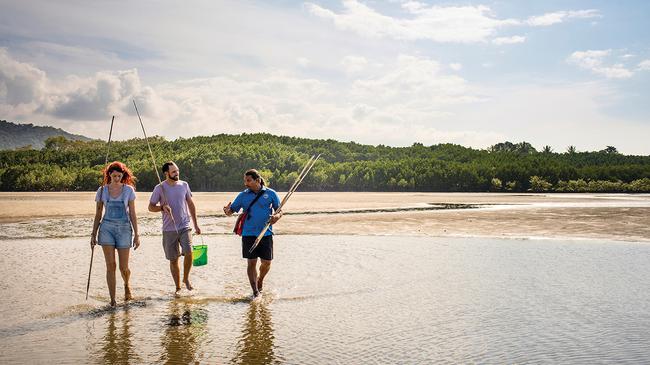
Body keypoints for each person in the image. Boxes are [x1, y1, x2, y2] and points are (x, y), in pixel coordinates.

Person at [223, 169, 283, 298]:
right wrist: (226, 210)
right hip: (248, 233)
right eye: (245, 180)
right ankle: (255, 291)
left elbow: (280, 211)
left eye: (248, 180)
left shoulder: (271, 193)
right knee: (251, 262)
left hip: (265, 233)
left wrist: (276, 217)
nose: (246, 183)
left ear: (258, 180)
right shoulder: (243, 195)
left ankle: (260, 279)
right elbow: (231, 211)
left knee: (267, 262)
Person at [91, 161, 140, 307]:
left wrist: (137, 234)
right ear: (109, 175)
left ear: (123, 175)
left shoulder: (129, 190)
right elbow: (98, 213)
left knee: (123, 267)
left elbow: (132, 213)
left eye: (119, 176)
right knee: (110, 266)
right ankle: (112, 301)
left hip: (124, 229)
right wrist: (93, 234)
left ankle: (126, 285)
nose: (117, 178)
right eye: (114, 176)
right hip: (106, 229)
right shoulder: (102, 190)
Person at [148, 161, 201, 296]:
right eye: (173, 172)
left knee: (189, 252)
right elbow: (151, 207)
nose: (177, 173)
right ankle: (178, 287)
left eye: (177, 171)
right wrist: (161, 207)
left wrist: (196, 224)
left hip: (185, 226)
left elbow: (191, 204)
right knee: (174, 259)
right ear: (166, 173)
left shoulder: (184, 185)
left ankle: (186, 278)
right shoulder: (159, 188)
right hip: (169, 229)